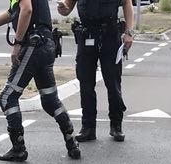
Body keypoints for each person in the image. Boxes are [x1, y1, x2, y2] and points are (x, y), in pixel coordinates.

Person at [0, 0, 81, 162]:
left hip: (34, 45)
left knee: (7, 98)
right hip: (46, 45)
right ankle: (71, 141)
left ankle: (18, 149)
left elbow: (27, 10)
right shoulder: (16, 4)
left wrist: (17, 44)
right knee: (50, 100)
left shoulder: (23, 3)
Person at [57, 0, 134, 142]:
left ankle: (116, 125)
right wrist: (63, 8)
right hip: (87, 34)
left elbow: (127, 3)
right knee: (85, 83)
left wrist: (129, 32)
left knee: (113, 82)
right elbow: (67, 7)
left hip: (110, 34)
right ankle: (88, 127)